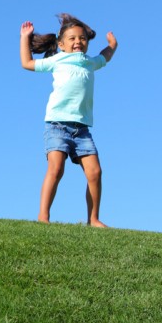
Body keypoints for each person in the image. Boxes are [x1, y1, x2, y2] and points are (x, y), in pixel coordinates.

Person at [19, 14, 118, 228]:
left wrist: (113, 45)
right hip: (57, 126)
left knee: (95, 172)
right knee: (56, 170)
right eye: (72, 39)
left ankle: (93, 219)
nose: (78, 42)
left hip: (82, 130)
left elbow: (105, 56)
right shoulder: (57, 60)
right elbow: (26, 63)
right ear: (61, 44)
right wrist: (24, 38)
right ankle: (43, 217)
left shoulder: (90, 63)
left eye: (82, 38)